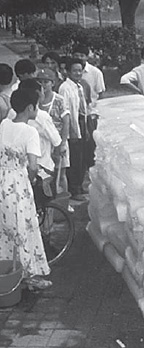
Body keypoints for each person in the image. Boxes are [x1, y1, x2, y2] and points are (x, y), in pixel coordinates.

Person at [0, 88, 52, 290]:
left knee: (5, 228)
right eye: (37, 106)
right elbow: (32, 165)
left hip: (1, 179)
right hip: (17, 183)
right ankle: (28, 275)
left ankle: (7, 270)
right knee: (24, 227)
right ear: (30, 107)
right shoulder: (30, 131)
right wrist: (32, 178)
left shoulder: (4, 124)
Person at [36, 68, 70, 196]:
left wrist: (62, 144)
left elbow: (66, 122)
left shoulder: (59, 100)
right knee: (45, 175)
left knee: (60, 174)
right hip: (43, 144)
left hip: (58, 142)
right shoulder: (36, 100)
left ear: (53, 83)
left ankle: (64, 202)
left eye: (46, 82)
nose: (43, 85)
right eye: (40, 82)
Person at [58, 57, 88, 202]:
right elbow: (66, 112)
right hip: (71, 128)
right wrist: (72, 132)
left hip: (81, 123)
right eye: (74, 70)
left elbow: (82, 109)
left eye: (80, 70)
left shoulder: (79, 86)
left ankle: (80, 185)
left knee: (81, 158)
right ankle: (74, 189)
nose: (78, 73)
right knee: (74, 160)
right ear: (68, 72)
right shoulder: (65, 88)